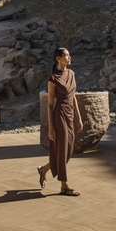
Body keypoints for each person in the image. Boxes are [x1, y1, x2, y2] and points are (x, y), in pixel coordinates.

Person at [37, 47, 83, 196]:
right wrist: (51, 128)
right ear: (58, 58)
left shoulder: (71, 74)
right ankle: (64, 186)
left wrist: (79, 117)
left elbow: (73, 96)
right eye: (67, 56)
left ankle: (44, 169)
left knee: (69, 149)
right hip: (60, 115)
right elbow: (50, 104)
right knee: (62, 149)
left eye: (69, 55)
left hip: (70, 115)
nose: (70, 58)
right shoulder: (53, 79)